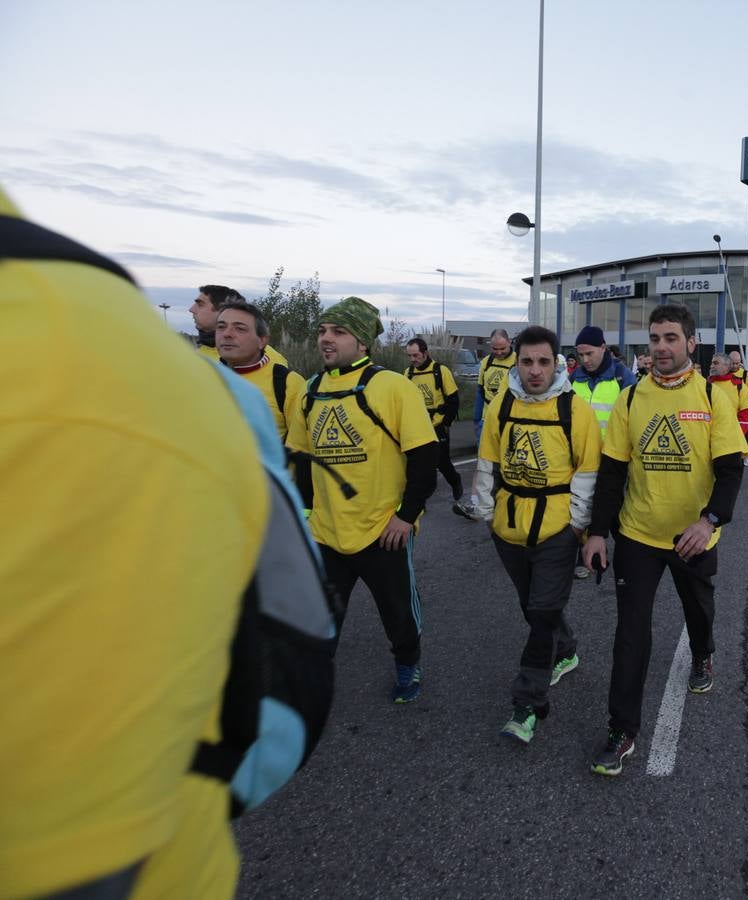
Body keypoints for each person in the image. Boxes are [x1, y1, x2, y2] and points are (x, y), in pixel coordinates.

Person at [2, 190, 267, 898]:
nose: (208, 324)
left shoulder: (85, 355)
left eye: (226, 318)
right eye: (215, 320)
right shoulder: (155, 360)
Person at [581, 304, 748, 776]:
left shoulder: (715, 398)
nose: (661, 347)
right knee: (631, 633)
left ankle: (702, 653)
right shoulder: (631, 400)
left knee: (699, 610)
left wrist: (709, 520)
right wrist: (597, 532)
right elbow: (613, 471)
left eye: (671, 338)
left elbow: (731, 470)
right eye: (655, 338)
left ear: (691, 344)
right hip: (637, 534)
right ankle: (622, 730)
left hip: (693, 537)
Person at [289, 296, 438, 704]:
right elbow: (303, 459)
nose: (326, 339)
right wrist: (304, 513)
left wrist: (406, 517)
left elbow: (424, 459)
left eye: (338, 332)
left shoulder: (391, 386)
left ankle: (408, 663)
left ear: (363, 342)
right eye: (322, 331)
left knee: (398, 614)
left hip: (381, 531)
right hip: (326, 530)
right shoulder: (312, 389)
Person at [470, 326, 600, 745]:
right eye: (527, 361)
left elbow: (587, 469)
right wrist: (486, 512)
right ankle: (566, 648)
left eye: (544, 361)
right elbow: (488, 458)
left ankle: (526, 704)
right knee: (533, 606)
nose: (535, 370)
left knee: (542, 611)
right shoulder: (502, 404)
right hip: (508, 529)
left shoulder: (574, 409)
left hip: (556, 530)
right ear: (516, 362)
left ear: (558, 363)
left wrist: (576, 526)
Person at [570, 325, 636, 578]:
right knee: (581, 504)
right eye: (580, 354)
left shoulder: (623, 377)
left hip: (614, 459)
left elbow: (634, 418)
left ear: (603, 348)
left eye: (589, 353)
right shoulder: (575, 378)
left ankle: (630, 558)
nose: (585, 360)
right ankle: (581, 555)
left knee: (616, 510)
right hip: (580, 457)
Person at [215, 301, 307, 445]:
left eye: (239, 329)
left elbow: (302, 447)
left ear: (262, 340)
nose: (227, 334)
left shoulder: (287, 383)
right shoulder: (202, 378)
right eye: (221, 327)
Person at [405, 337, 471, 518]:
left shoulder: (440, 371)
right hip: (418, 427)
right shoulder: (408, 374)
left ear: (425, 353)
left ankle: (455, 481)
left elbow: (453, 400)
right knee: (420, 466)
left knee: (442, 463)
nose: (412, 359)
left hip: (438, 426)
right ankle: (420, 502)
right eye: (409, 356)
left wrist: (446, 424)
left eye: (415, 355)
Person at [475, 328, 516, 440]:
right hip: (487, 418)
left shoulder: (518, 362)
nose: (499, 352)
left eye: (503, 348)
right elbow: (480, 390)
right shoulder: (486, 362)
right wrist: (477, 419)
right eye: (495, 348)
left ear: (509, 342)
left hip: (510, 418)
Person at [708, 352, 748, 437]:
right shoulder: (707, 384)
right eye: (712, 363)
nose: (711, 366)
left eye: (715, 363)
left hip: (731, 436)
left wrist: (736, 435)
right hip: (709, 436)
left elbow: (745, 413)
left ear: (726, 366)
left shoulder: (739, 386)